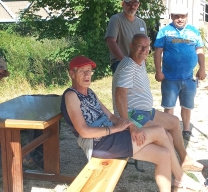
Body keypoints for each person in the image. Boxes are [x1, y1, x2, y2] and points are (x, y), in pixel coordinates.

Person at [61, 55, 207, 192]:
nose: (87, 75)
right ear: (72, 74)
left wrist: (131, 126)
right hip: (98, 144)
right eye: (82, 71)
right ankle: (180, 177)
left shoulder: (90, 92)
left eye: (89, 71)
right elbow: (84, 132)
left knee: (163, 154)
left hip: (111, 138)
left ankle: (173, 184)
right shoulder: (71, 95)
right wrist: (115, 129)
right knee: (159, 131)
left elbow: (111, 116)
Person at [112, 33, 204, 172]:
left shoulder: (138, 61)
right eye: (140, 46)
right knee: (165, 136)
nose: (144, 50)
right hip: (133, 114)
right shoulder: (128, 67)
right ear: (131, 46)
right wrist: (127, 123)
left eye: (147, 46)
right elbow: (120, 95)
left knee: (174, 122)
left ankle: (184, 159)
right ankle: (175, 173)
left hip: (144, 111)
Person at [154, 5, 206, 142]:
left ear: (187, 16)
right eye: (177, 16)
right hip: (169, 78)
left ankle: (186, 129)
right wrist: (158, 71)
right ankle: (168, 131)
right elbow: (158, 51)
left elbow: (199, 50)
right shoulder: (164, 31)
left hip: (189, 78)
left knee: (187, 106)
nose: (180, 19)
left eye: (182, 16)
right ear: (171, 16)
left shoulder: (194, 31)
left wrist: (202, 69)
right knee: (169, 106)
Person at [105, 0, 147, 73]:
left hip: (139, 63)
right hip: (120, 61)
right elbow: (110, 41)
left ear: (138, 5)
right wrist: (124, 61)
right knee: (124, 86)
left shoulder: (142, 23)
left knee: (140, 86)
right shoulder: (116, 19)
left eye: (135, 4)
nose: (132, 7)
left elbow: (146, 45)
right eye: (129, 4)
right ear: (122, 4)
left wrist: (144, 63)